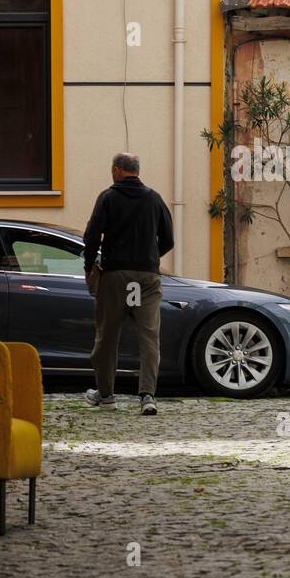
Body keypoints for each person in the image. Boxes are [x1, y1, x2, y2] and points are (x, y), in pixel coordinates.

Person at [82, 152, 174, 415]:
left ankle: (107, 394)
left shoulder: (108, 198)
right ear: (136, 171)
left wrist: (90, 267)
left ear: (117, 170)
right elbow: (168, 239)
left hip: (115, 275)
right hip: (146, 278)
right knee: (149, 337)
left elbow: (91, 236)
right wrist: (149, 257)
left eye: (113, 169)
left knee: (107, 336)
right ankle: (147, 396)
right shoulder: (154, 199)